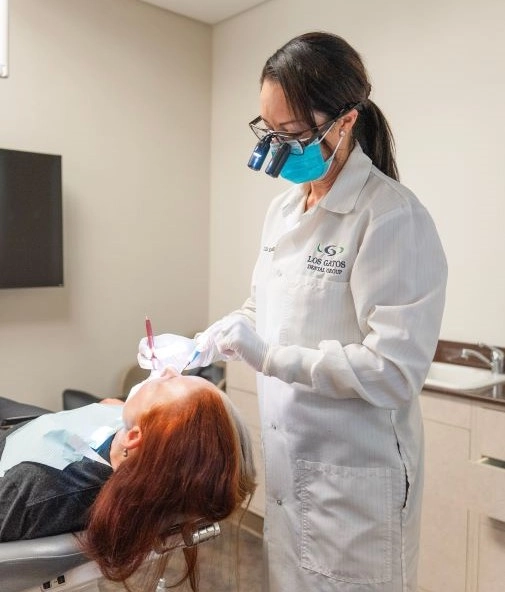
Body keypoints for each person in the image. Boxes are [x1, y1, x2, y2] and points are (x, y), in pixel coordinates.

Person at [139, 32, 447, 592]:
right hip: (293, 473)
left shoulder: (390, 217)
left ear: (346, 121)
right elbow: (265, 307)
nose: (279, 148)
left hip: (354, 490)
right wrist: (202, 344)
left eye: (295, 134)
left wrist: (271, 357)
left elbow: (395, 370)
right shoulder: (283, 210)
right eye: (269, 132)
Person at [0, 368, 256, 591]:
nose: (167, 370)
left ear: (134, 438)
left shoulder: (42, 489)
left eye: (170, 382)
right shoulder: (138, 445)